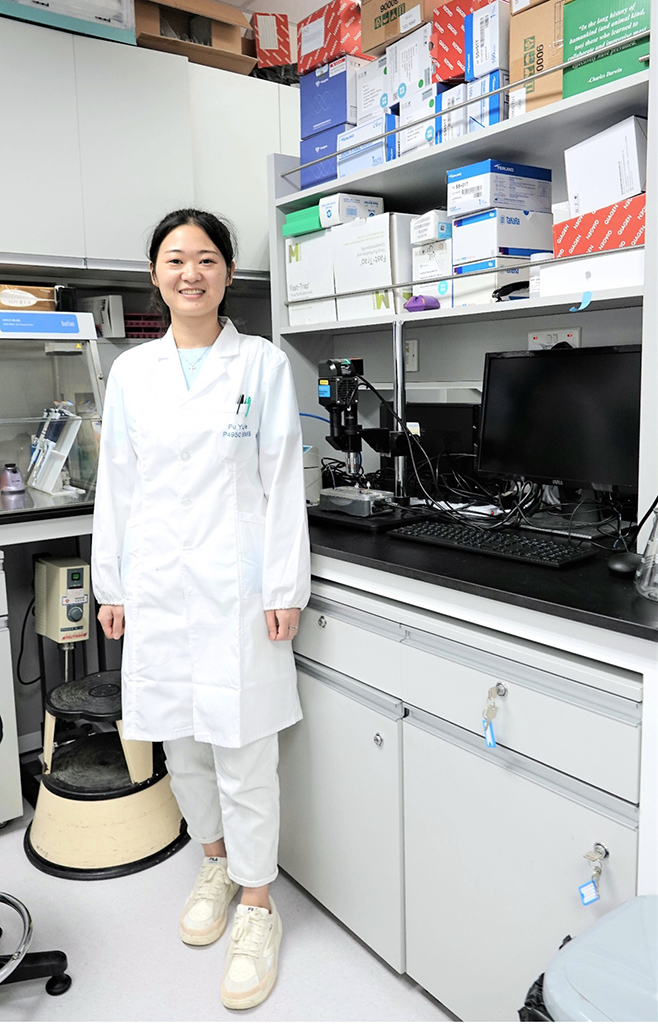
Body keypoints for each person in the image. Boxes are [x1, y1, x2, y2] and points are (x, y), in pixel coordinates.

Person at [91, 208, 311, 1010]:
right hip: (157, 587)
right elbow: (117, 483)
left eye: (208, 259)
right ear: (154, 273)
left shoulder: (259, 365)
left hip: (239, 585)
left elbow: (282, 477)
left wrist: (285, 586)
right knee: (182, 744)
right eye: (176, 259)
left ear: (226, 274)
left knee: (244, 748)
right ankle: (214, 862)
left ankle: (258, 904)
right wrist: (110, 584)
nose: (192, 273)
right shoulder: (133, 374)